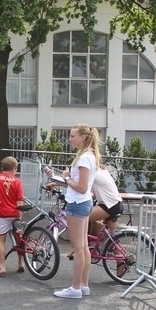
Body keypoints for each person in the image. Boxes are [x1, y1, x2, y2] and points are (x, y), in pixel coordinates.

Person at [53, 124, 101, 299]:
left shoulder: (84, 158)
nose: (70, 138)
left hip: (77, 202)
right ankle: (83, 285)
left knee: (78, 248)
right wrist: (67, 178)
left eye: (73, 135)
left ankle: (75, 288)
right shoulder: (89, 156)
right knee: (83, 247)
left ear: (83, 138)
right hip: (84, 202)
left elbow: (80, 187)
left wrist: (66, 178)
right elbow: (82, 185)